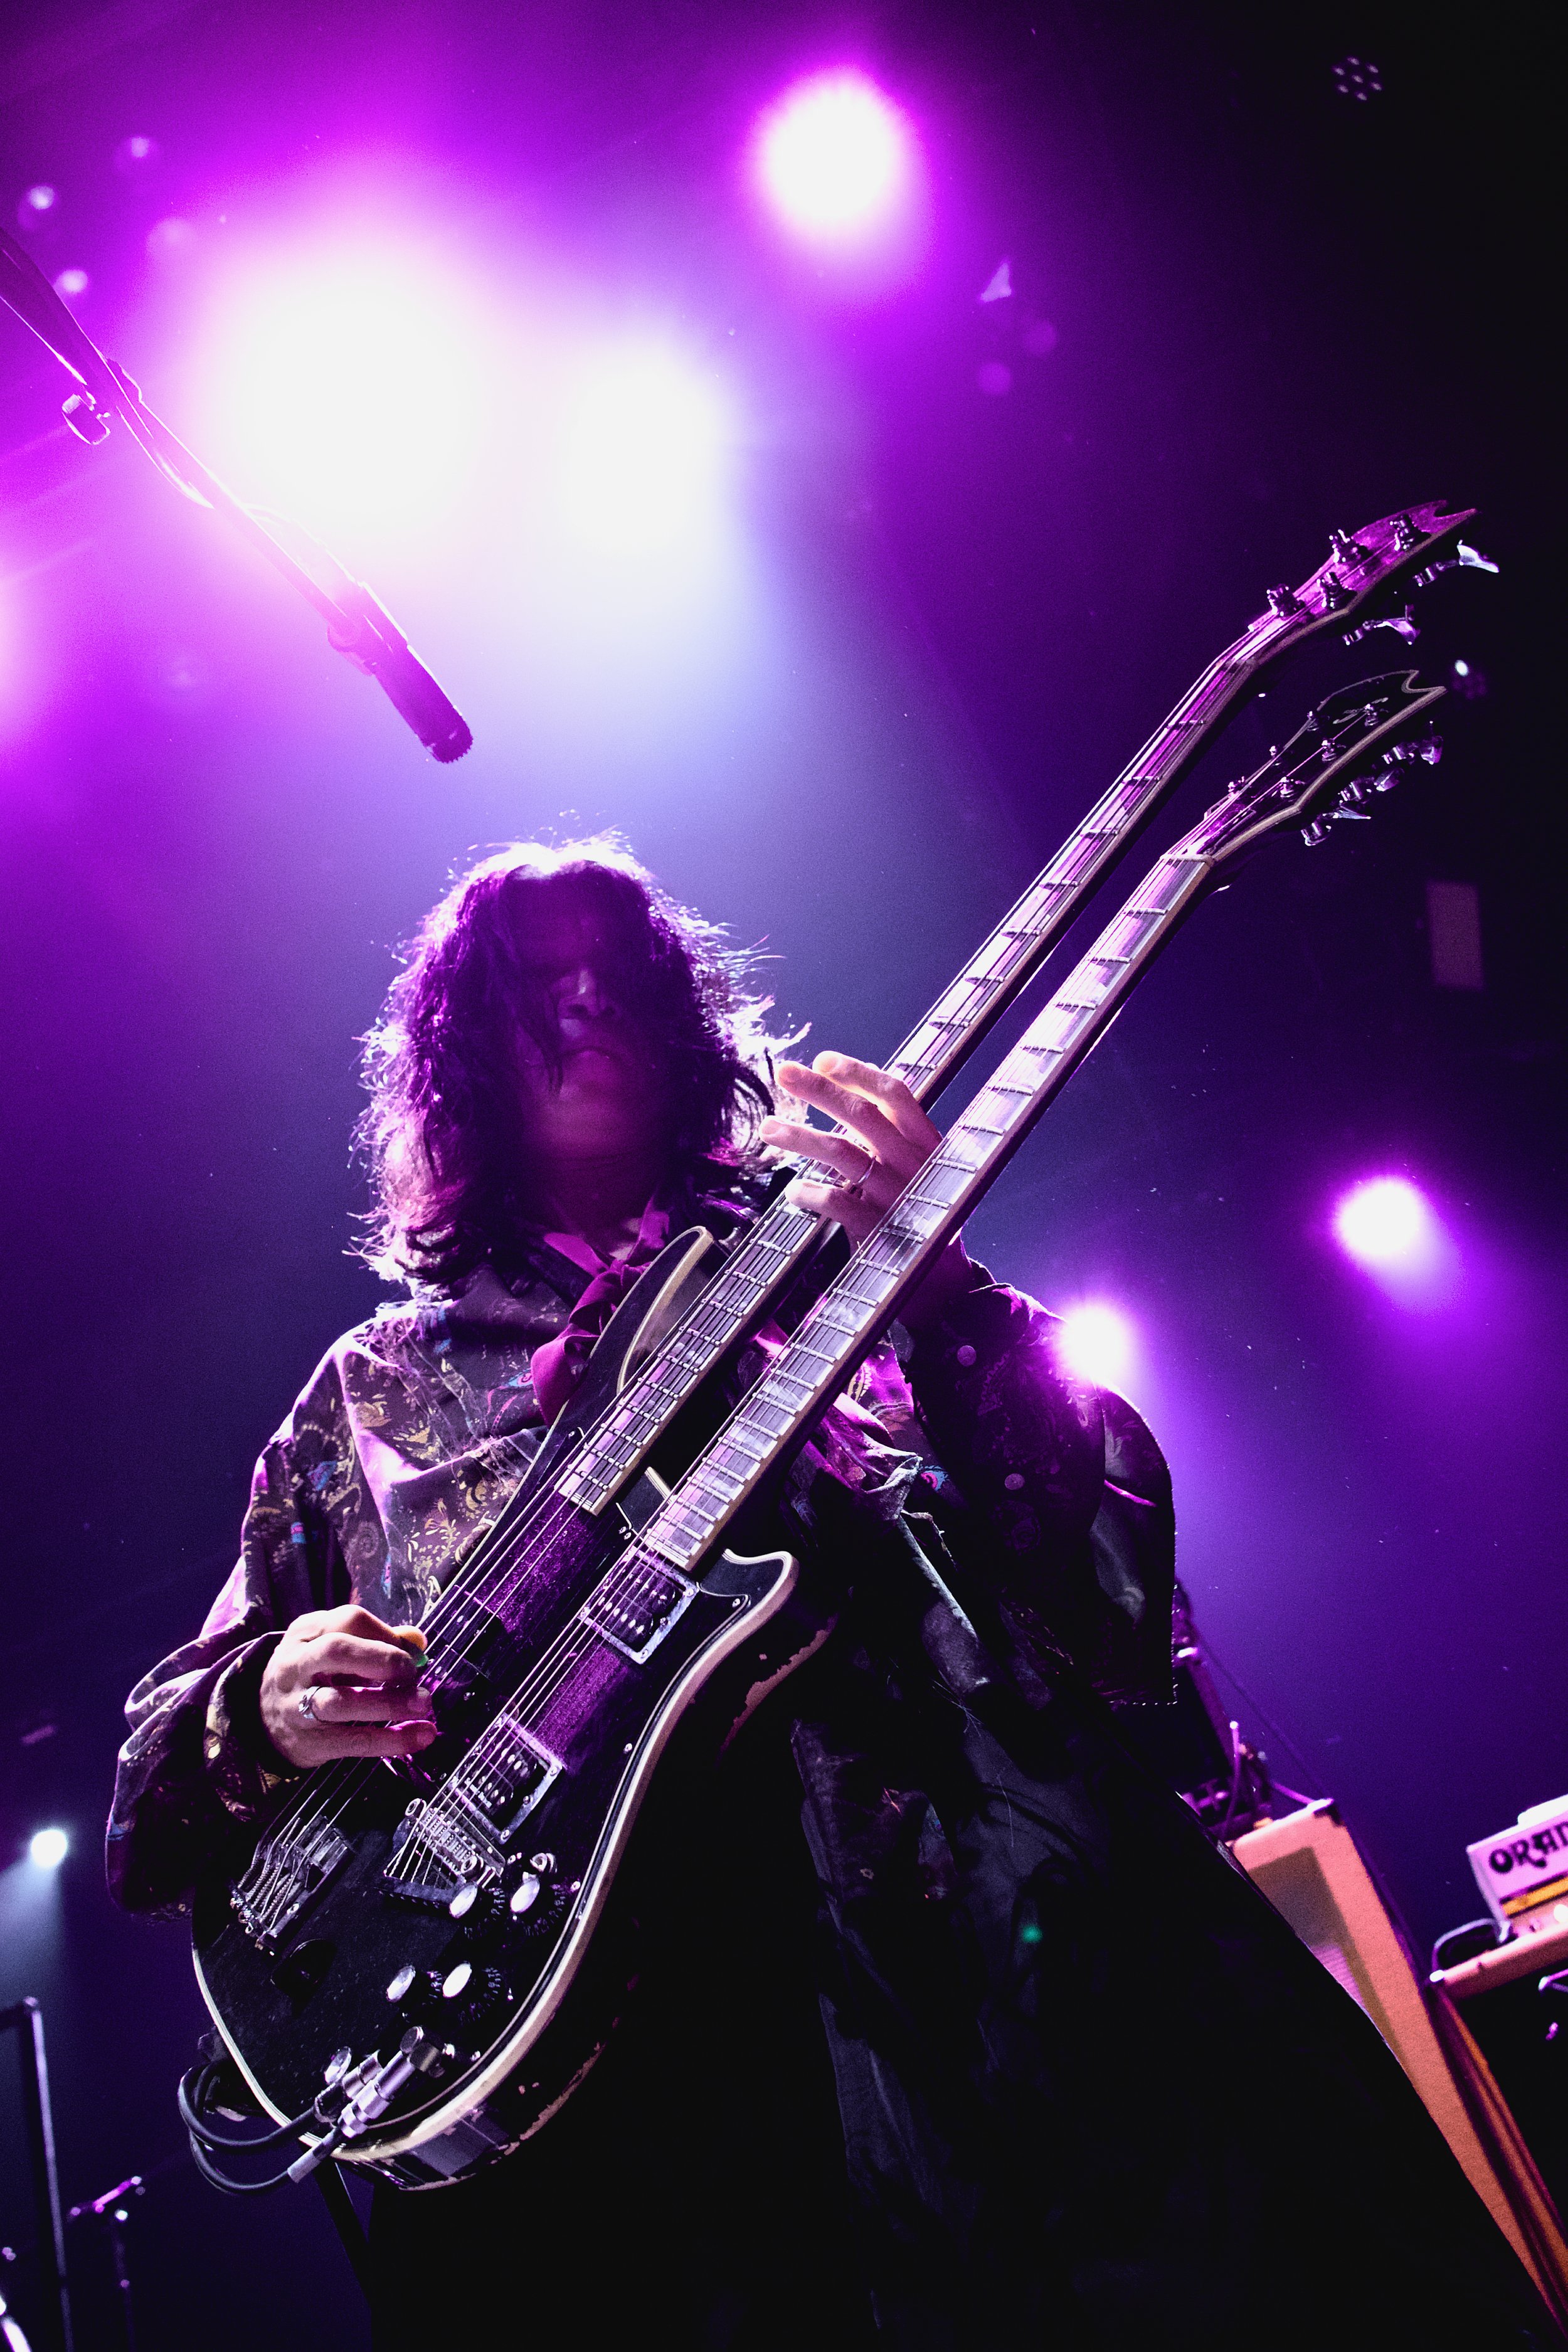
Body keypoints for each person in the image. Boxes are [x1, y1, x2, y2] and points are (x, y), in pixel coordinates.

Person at [109, 842, 1559, 2348]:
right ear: (463, 1050)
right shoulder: (370, 1398)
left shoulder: (831, 1245)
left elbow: (1112, 1585)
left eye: (619, 964)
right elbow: (153, 1801)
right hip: (643, 2077)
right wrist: (261, 1704)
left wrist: (941, 1293)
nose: (589, 994)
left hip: (1009, 1936)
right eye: (539, 980)